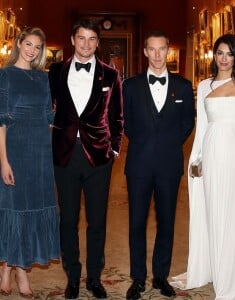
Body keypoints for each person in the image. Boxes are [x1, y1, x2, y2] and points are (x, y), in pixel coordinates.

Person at [171, 34, 235, 299]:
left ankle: (229, 274)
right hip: (211, 151)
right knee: (212, 209)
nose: (224, 59)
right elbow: (202, 129)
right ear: (214, 55)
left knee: (233, 211)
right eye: (220, 53)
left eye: (229, 54)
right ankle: (211, 264)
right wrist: (196, 160)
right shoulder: (205, 85)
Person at [48, 18, 123, 299]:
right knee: (67, 219)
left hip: (99, 158)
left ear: (97, 43)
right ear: (72, 40)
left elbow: (117, 116)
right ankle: (73, 277)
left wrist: (114, 149)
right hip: (65, 155)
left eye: (92, 39)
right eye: (82, 38)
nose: (87, 44)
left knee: (97, 221)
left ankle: (94, 277)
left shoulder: (110, 75)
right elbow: (46, 111)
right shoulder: (55, 72)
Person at [122, 30, 195, 299]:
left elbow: (188, 123)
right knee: (136, 223)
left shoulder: (184, 86)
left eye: (161, 49)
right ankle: (138, 279)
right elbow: (126, 123)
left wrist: (167, 143)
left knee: (166, 222)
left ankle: (160, 277)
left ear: (168, 51)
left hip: (169, 164)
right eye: (151, 49)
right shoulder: (130, 86)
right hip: (139, 164)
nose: (156, 54)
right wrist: (145, 142)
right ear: (144, 51)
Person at [0, 27, 60, 298]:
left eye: (37, 46)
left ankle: (13, 266)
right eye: (28, 44)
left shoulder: (42, 78)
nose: (32, 50)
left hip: (40, 152)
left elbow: (50, 117)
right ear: (19, 43)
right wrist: (3, 161)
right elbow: (1, 122)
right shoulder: (5, 75)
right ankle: (13, 268)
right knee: (14, 209)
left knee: (32, 207)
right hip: (14, 149)